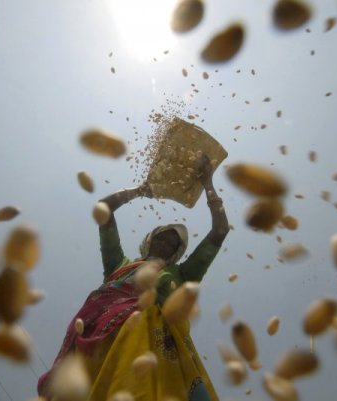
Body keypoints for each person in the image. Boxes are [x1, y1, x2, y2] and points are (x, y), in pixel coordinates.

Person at [38, 156, 229, 401]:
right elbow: (103, 209)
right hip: (100, 338)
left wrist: (208, 184)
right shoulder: (120, 265)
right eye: (162, 236)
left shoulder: (182, 275)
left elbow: (220, 231)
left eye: (174, 243)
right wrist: (141, 191)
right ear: (150, 239)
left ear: (177, 253)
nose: (166, 243)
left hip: (153, 348)